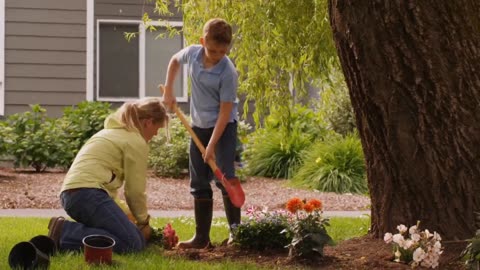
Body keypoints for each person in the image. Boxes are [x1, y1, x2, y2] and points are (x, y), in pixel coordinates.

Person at [47, 97, 169, 253]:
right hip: (88, 195)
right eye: (157, 128)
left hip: (72, 196)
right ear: (148, 122)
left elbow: (107, 193)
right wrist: (143, 222)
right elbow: (134, 192)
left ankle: (66, 234)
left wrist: (127, 215)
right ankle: (65, 233)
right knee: (133, 244)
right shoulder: (136, 141)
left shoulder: (110, 133)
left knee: (132, 239)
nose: (156, 134)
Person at [162, 18, 241, 249]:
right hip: (198, 125)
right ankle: (201, 238)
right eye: (212, 50)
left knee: (225, 177)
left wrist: (212, 145)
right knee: (198, 180)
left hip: (223, 128)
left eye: (222, 51)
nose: (217, 55)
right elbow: (174, 61)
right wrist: (169, 90)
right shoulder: (194, 54)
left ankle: (236, 234)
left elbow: (226, 113)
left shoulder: (228, 72)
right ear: (202, 41)